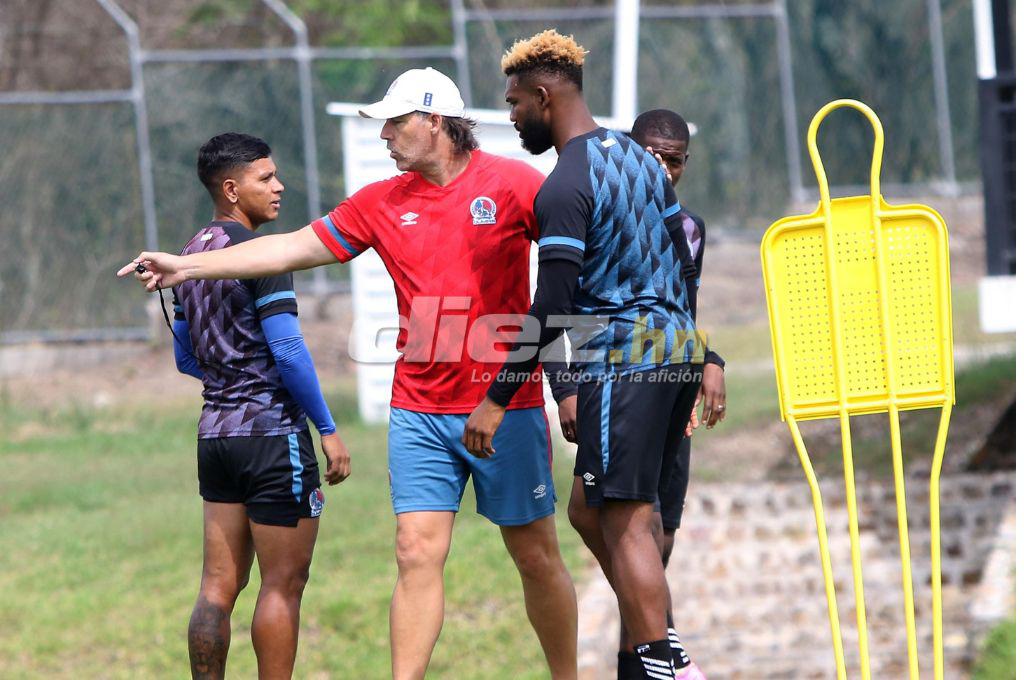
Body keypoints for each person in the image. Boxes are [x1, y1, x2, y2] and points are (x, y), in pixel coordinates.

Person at [119, 69, 578, 680]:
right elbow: (288, 248)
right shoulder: (380, 202)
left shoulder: (517, 184)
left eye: (394, 122)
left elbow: (568, 280)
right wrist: (188, 265)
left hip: (507, 407)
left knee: (535, 557)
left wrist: (570, 381)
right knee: (415, 553)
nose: (384, 135)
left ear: (433, 121)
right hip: (418, 411)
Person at [463, 31, 713, 680]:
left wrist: (495, 401)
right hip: (672, 351)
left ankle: (666, 664)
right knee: (588, 508)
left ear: (544, 97)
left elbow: (549, 309)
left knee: (625, 521)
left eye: (517, 104)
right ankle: (663, 643)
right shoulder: (639, 159)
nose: (513, 118)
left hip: (625, 363)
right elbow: (680, 265)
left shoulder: (565, 184)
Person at [156, 132, 350, 679]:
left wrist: (229, 374)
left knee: (217, 587)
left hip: (215, 436)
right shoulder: (260, 254)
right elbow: (288, 350)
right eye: (266, 178)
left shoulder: (189, 255)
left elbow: (185, 358)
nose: (279, 186)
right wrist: (328, 427)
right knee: (282, 586)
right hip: (271, 438)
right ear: (231, 188)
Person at [562, 109, 726, 679]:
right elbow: (568, 302)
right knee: (603, 517)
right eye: (650, 154)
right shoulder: (599, 211)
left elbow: (681, 311)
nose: (661, 167)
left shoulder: (689, 228)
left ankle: (653, 651)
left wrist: (709, 361)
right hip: (615, 377)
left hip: (669, 382)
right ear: (629, 155)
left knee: (657, 536)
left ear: (685, 165)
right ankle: (665, 649)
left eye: (673, 159)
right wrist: (566, 386)